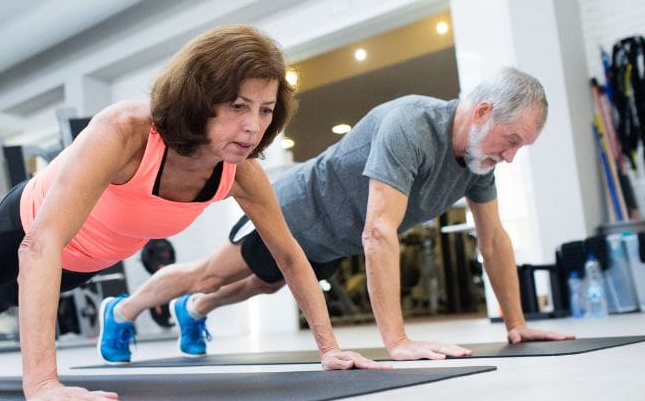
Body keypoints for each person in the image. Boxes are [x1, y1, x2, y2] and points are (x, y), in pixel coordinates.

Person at [0, 25, 385, 401]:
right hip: (30, 226)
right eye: (238, 106)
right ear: (200, 99)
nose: (252, 125)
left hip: (94, 253)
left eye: (265, 110)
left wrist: (329, 347)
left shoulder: (239, 170)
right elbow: (40, 245)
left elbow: (291, 254)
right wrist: (42, 384)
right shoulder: (127, 131)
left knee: (4, 297)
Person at [100, 67, 574, 363]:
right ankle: (121, 311)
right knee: (210, 274)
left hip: (333, 240)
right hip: (294, 211)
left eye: (519, 147)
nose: (510, 156)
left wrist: (516, 322)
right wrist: (398, 341)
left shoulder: (477, 160)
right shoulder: (411, 124)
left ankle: (194, 311)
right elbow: (379, 231)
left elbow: (493, 239)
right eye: (511, 140)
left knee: (264, 284)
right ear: (482, 112)